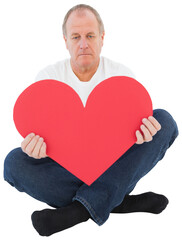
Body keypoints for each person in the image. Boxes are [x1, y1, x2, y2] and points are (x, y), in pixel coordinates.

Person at [4, 4, 179, 237]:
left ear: (102, 38)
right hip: (69, 169)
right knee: (13, 163)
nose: (83, 44)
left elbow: (129, 148)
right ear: (65, 41)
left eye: (90, 36)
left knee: (164, 121)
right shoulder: (47, 80)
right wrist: (37, 150)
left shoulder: (122, 78)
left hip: (115, 165)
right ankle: (117, 201)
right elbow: (46, 141)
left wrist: (142, 138)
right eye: (75, 37)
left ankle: (78, 211)